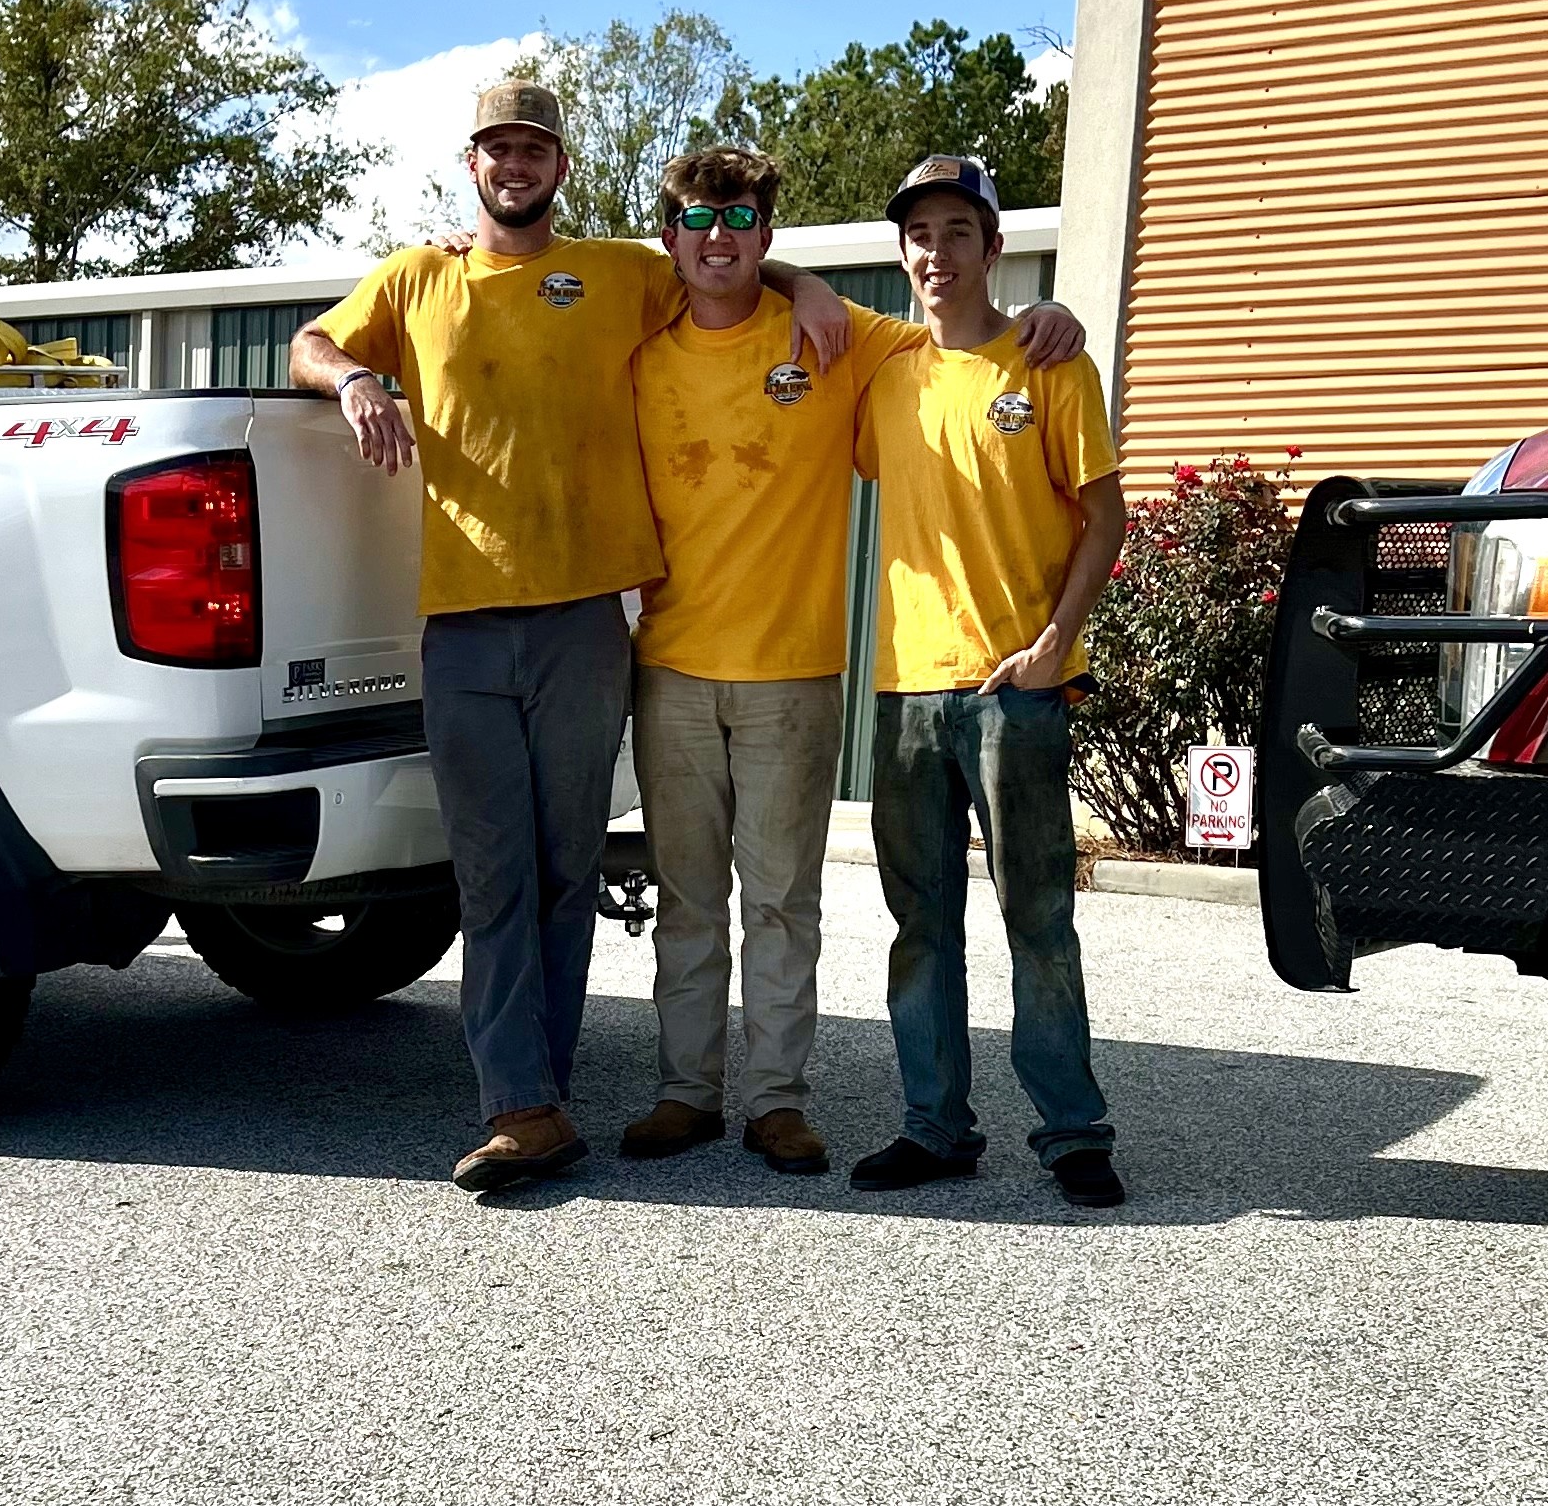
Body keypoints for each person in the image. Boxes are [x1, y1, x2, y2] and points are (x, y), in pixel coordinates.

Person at [288, 81, 849, 1194]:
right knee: (493, 873)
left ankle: (543, 1090)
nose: (515, 162)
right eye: (498, 144)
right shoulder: (418, 277)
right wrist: (356, 379)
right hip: (461, 628)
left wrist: (808, 279)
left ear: (558, 163)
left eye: (533, 146)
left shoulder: (613, 273)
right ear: (471, 160)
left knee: (564, 867)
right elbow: (309, 340)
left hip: (588, 623)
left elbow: (718, 252)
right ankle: (522, 1105)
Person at [620, 145, 1085, 1178]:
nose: (718, 235)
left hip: (794, 670)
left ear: (767, 232)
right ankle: (685, 1092)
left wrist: (1059, 317)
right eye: (698, 218)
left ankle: (778, 1103)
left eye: (739, 217)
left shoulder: (842, 341)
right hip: (670, 667)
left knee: (783, 901)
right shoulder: (640, 343)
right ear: (671, 235)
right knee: (687, 897)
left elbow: (983, 339)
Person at [849, 154, 1128, 1209]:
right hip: (906, 688)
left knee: (1038, 917)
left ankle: (1072, 1132)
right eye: (919, 234)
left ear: (993, 246)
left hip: (1019, 683)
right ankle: (934, 1126)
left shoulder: (1050, 365)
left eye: (958, 231)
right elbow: (782, 287)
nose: (936, 252)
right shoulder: (883, 374)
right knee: (921, 920)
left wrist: (1058, 640)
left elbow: (1103, 516)